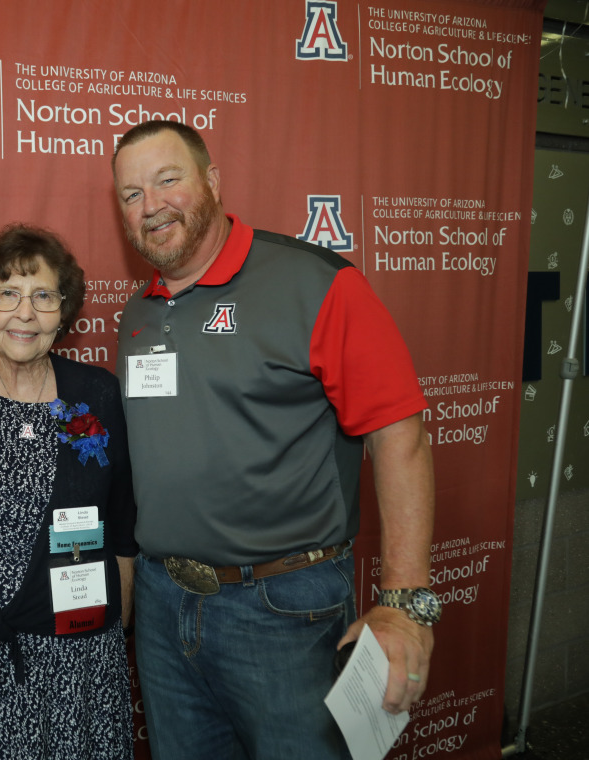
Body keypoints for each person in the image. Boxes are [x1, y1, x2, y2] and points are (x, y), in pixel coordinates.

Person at [111, 120, 438, 759]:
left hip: (283, 612)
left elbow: (400, 436)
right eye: (129, 194)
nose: (150, 206)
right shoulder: (139, 313)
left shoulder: (315, 283)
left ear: (212, 181)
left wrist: (404, 603)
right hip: (162, 605)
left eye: (167, 180)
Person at [0, 223, 137, 760]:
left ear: (66, 309)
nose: (25, 313)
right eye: (8, 293)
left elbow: (122, 523)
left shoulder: (95, 395)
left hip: (79, 662)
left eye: (43, 296)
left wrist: (114, 632)